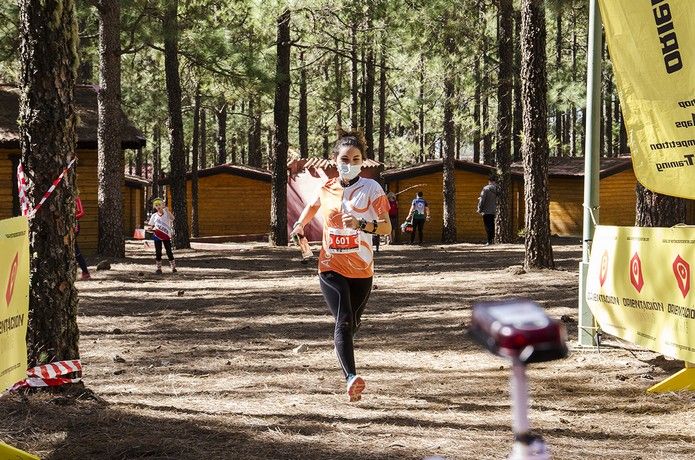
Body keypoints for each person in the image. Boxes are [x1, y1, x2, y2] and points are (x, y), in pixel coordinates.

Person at [291, 128, 391, 402]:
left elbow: (386, 227)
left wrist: (361, 224)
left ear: (363, 161)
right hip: (330, 265)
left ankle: (341, 346)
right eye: (345, 159)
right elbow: (311, 207)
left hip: (362, 267)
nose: (350, 164)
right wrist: (300, 224)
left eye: (356, 159)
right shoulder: (325, 188)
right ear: (335, 159)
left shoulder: (372, 189)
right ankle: (351, 377)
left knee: (352, 323)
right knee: (344, 320)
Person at [145, 198, 177, 274]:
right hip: (157, 235)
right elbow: (151, 225)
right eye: (156, 205)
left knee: (169, 251)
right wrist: (150, 228)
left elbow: (173, 218)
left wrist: (167, 211)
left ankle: (173, 267)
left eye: (159, 204)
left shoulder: (166, 213)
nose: (158, 206)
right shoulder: (154, 215)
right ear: (154, 207)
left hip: (166, 235)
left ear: (162, 205)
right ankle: (159, 268)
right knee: (158, 252)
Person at [477, 174, 499, 245]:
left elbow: (482, 200)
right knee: (492, 225)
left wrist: (479, 208)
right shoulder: (497, 189)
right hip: (494, 210)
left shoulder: (486, 189)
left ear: (489, 181)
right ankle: (492, 240)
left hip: (486, 210)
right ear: (495, 181)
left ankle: (489, 241)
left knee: (487, 226)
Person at [75, 196, 91, 280]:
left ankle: (85, 272)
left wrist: (72, 218)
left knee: (75, 249)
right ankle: (85, 272)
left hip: (74, 227)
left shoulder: (76, 198)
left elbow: (81, 213)